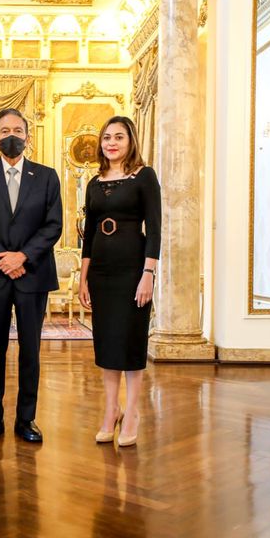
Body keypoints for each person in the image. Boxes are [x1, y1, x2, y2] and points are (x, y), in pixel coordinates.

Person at [0, 108, 63, 443]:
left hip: (32, 274)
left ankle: (27, 419)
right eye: (4, 130)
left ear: (27, 137)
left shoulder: (47, 176)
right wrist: (3, 260)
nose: (11, 136)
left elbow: (54, 225)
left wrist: (23, 256)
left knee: (30, 349)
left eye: (18, 130)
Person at [78, 116, 160, 447]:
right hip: (101, 272)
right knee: (107, 343)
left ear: (131, 141)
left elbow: (154, 228)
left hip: (132, 270)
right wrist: (83, 278)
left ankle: (133, 411)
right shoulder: (95, 182)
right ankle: (110, 411)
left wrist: (148, 275)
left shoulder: (144, 176)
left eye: (119, 137)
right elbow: (88, 235)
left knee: (130, 341)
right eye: (107, 137)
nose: (111, 142)